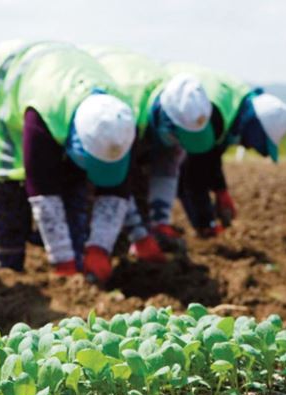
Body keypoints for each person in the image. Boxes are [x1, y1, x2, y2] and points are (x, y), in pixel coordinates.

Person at [0, 40, 136, 284]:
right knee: (7, 204)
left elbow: (116, 188)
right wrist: (62, 262)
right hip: (1, 95)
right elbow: (43, 189)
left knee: (76, 199)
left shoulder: (120, 117)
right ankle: (9, 273)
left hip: (59, 90)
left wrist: (99, 247)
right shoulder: (44, 114)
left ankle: (79, 262)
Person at [85, 46, 212, 261]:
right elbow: (117, 180)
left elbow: (168, 165)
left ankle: (133, 241)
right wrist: (139, 234)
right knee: (97, 192)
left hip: (137, 108)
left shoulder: (178, 105)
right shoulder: (125, 113)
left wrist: (160, 222)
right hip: (99, 124)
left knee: (140, 193)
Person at [166, 63, 286, 238]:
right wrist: (206, 224)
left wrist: (220, 190)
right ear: (254, 130)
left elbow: (212, 153)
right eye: (253, 144)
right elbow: (193, 174)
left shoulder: (236, 104)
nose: (248, 147)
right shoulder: (212, 114)